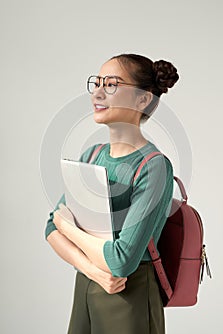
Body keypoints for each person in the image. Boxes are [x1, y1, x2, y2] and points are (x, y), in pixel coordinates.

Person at [45, 53, 179, 334]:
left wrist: (67, 226)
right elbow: (50, 229)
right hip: (86, 287)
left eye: (111, 85)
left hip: (129, 297)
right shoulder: (92, 155)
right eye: (97, 83)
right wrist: (93, 271)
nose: (97, 92)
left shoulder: (153, 167)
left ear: (142, 100)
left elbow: (121, 262)